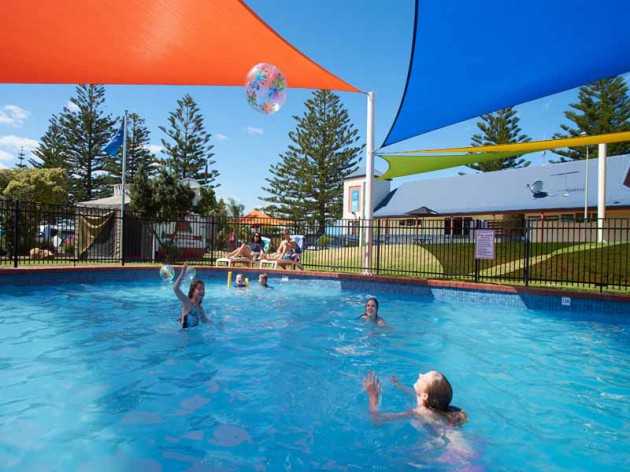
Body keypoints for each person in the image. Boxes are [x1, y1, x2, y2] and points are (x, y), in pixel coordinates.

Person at [363, 370, 467, 427]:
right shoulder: (429, 403)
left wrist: (373, 397)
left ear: (425, 396)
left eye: (424, 377)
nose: (420, 374)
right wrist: (399, 385)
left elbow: (377, 420)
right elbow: (415, 394)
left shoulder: (417, 412)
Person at [173, 262, 208, 329]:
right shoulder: (187, 302)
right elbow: (176, 289)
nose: (202, 291)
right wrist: (182, 273)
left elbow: (205, 320)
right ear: (193, 291)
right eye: (199, 289)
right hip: (183, 335)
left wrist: (217, 325)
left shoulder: (200, 310)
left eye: (203, 289)